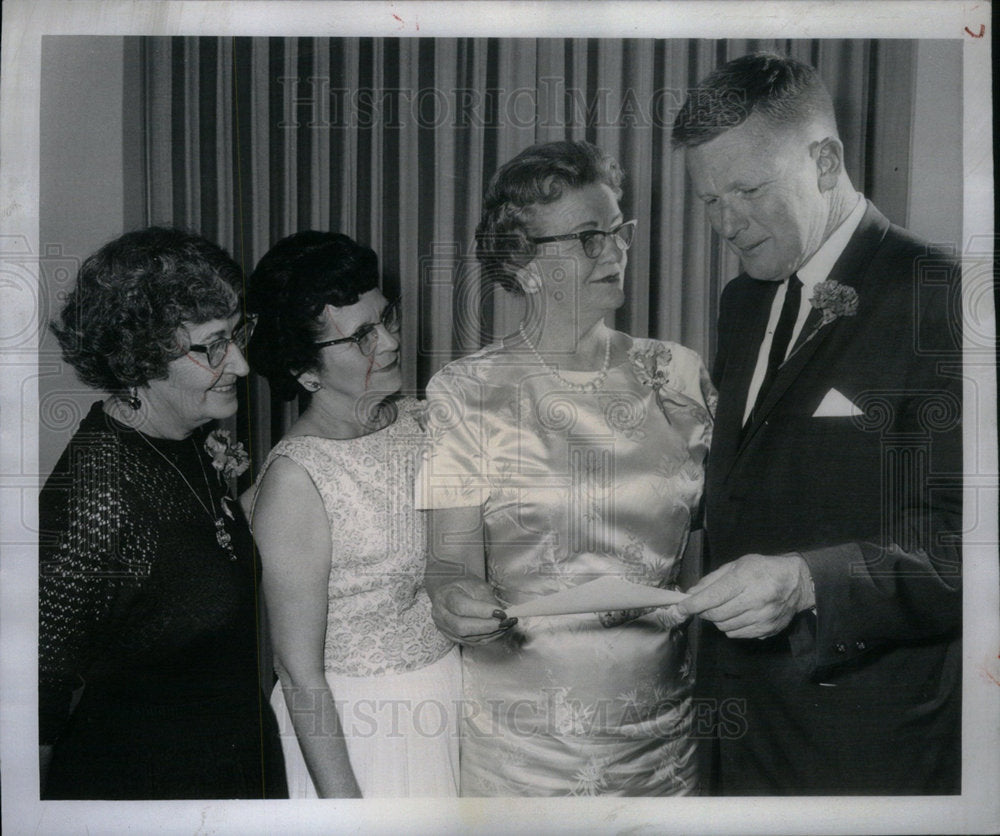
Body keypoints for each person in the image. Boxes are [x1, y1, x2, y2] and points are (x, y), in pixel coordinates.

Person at [667, 52, 962, 794]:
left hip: (864, 746)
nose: (725, 225)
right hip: (734, 729)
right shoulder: (744, 302)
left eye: (747, 190)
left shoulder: (945, 297)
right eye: (708, 200)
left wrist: (806, 583)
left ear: (825, 160)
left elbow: (972, 543)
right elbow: (757, 486)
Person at [416, 140, 716, 796]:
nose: (614, 251)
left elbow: (715, 540)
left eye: (618, 230)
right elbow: (450, 566)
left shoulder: (678, 376)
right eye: (588, 237)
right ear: (523, 262)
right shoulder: (466, 393)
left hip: (663, 740)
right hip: (525, 750)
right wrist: (455, 600)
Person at [39, 227, 287, 799]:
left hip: (234, 770)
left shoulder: (186, 438)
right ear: (137, 358)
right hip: (147, 794)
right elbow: (31, 714)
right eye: (212, 345)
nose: (243, 365)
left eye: (237, 334)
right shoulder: (96, 496)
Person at [244, 231, 460, 798]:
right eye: (360, 336)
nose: (388, 343)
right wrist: (345, 811)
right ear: (306, 370)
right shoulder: (297, 480)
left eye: (386, 319)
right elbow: (298, 675)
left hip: (445, 698)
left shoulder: (419, 422)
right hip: (360, 733)